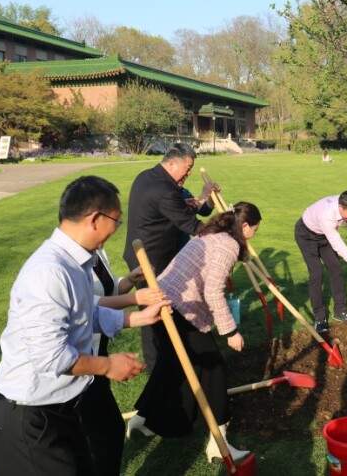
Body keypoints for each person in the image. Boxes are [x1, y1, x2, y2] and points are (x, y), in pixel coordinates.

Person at [0, 176, 169, 475]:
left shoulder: (77, 262)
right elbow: (50, 357)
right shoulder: (49, 272)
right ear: (95, 218)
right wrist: (107, 366)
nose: (118, 228)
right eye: (116, 220)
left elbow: (86, 313)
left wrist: (138, 317)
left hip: (63, 407)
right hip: (28, 418)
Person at [128, 203, 260, 464]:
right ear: (245, 227)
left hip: (162, 301)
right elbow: (212, 291)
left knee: (170, 366)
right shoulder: (228, 245)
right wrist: (230, 331)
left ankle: (139, 419)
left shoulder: (213, 233)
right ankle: (218, 442)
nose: (255, 233)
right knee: (214, 369)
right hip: (177, 308)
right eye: (255, 228)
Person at [123, 143, 218, 371]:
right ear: (172, 163)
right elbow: (192, 224)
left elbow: (184, 209)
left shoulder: (151, 177)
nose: (189, 173)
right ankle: (158, 366)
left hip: (153, 256)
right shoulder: (163, 190)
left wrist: (205, 198)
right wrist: (226, 235)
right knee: (153, 312)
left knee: (166, 307)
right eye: (187, 167)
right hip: (150, 262)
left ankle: (174, 352)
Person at [82, 249, 166, 476]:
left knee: (109, 429)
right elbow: (89, 305)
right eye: (114, 219)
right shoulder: (69, 261)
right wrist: (136, 298)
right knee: (100, 433)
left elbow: (107, 289)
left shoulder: (96, 251)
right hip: (81, 361)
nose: (117, 226)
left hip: (97, 351)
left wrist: (129, 280)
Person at [295, 191, 347, 333]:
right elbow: (339, 246)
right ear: (340, 206)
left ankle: (340, 311)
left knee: (335, 268)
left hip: (323, 235)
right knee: (316, 274)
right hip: (306, 235)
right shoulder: (327, 215)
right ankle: (320, 318)